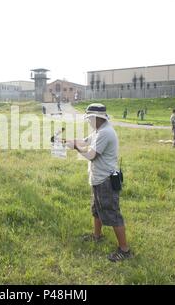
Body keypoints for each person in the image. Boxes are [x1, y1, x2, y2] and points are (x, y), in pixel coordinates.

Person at [66, 104, 132, 262]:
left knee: (112, 213)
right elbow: (83, 141)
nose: (88, 122)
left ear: (97, 118)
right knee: (97, 209)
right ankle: (97, 235)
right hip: (98, 178)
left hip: (106, 180)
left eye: (90, 119)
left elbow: (91, 155)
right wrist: (66, 141)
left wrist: (75, 147)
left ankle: (125, 250)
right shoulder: (98, 131)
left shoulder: (105, 133)